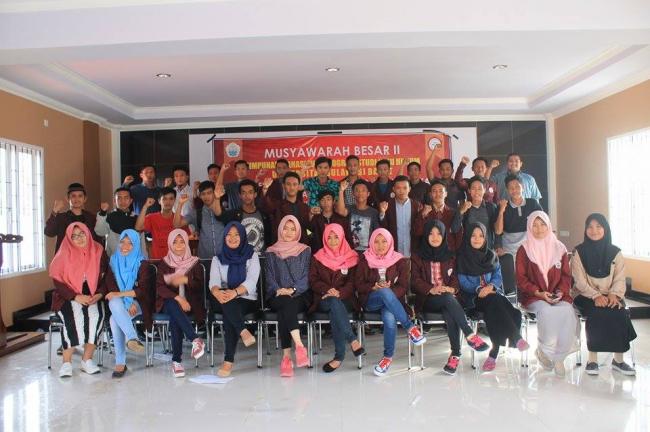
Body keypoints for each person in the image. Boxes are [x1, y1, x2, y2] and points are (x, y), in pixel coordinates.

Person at [411, 220, 489, 375]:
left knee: (449, 310)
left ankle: (455, 355)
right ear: (426, 235)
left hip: (448, 299)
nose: (435, 237)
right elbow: (414, 281)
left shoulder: (450, 256)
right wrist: (431, 289)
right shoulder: (417, 256)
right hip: (428, 300)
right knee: (448, 299)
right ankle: (469, 334)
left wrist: (451, 288)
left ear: (444, 236)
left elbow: (455, 278)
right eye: (431, 233)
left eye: (438, 233)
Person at [571, 213, 637, 376]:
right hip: (585, 295)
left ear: (605, 229)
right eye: (590, 227)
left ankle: (618, 361)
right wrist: (595, 296)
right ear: (585, 230)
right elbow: (579, 281)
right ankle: (592, 361)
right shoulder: (579, 252)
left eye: (598, 226)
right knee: (596, 312)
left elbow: (620, 278)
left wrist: (614, 295)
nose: (594, 230)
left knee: (619, 311)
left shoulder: (616, 252)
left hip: (611, 294)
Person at [457, 223, 529, 371]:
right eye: (473, 235)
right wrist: (478, 288)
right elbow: (463, 282)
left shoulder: (491, 255)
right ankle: (515, 337)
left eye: (481, 236)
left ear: (485, 238)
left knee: (495, 307)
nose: (477, 239)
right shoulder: (462, 257)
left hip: (492, 295)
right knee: (508, 308)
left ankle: (494, 352)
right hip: (473, 299)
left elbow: (497, 276)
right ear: (468, 237)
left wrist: (490, 287)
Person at [356, 228, 427, 376]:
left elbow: (403, 286)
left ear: (390, 242)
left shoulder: (399, 260)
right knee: (383, 292)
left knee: (389, 315)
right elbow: (358, 284)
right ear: (371, 243)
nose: (380, 245)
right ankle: (410, 327)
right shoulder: (365, 259)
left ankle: (387, 358)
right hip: (371, 301)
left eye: (384, 241)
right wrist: (374, 287)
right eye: (376, 241)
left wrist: (389, 292)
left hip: (392, 304)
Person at [516, 211, 577, 376]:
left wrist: (560, 292)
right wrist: (539, 293)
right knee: (547, 311)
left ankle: (559, 357)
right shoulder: (524, 249)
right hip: (533, 295)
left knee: (567, 311)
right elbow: (521, 279)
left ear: (548, 225)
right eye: (534, 225)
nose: (539, 229)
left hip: (558, 294)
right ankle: (544, 351)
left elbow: (566, 276)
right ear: (529, 228)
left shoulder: (560, 248)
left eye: (542, 224)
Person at [49, 223, 107, 378]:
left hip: (93, 294)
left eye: (82, 234)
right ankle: (66, 363)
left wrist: (100, 294)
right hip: (67, 295)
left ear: (88, 234)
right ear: (69, 238)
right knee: (73, 318)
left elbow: (107, 275)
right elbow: (58, 282)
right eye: (74, 236)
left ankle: (87, 360)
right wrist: (75, 296)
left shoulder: (98, 250)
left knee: (96, 316)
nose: (79, 238)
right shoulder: (63, 253)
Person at [309, 224, 364, 372]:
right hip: (323, 298)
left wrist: (339, 293)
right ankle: (352, 340)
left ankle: (339, 357)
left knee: (335, 309)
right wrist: (328, 290)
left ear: (342, 237)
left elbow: (353, 283)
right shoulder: (317, 257)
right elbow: (313, 280)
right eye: (329, 237)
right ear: (324, 239)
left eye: (336, 237)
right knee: (333, 303)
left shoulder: (352, 257)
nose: (333, 241)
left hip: (346, 299)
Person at [209, 222, 260, 377]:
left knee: (229, 312)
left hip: (246, 298)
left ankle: (228, 360)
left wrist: (235, 292)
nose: (232, 238)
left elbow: (252, 281)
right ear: (224, 237)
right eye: (229, 235)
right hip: (223, 297)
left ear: (243, 237)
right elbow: (214, 281)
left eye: (237, 234)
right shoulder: (217, 259)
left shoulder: (252, 256)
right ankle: (243, 331)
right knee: (228, 303)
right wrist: (217, 292)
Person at [264, 216, 312, 377]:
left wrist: (292, 289)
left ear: (298, 231)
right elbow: (269, 276)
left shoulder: (305, 250)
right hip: (276, 294)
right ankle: (299, 346)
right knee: (285, 302)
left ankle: (286, 358)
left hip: (299, 294)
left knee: (285, 308)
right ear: (280, 230)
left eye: (293, 229)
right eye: (286, 228)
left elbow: (306, 276)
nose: (289, 232)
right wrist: (279, 289)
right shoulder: (271, 251)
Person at [155, 229, 206, 378]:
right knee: (173, 305)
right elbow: (160, 287)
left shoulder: (195, 263)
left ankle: (176, 362)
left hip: (191, 305)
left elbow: (200, 285)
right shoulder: (164, 263)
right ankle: (195, 339)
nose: (178, 245)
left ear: (187, 243)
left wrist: (185, 280)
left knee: (175, 317)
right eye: (175, 242)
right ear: (170, 244)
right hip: (169, 304)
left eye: (182, 241)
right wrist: (179, 298)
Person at [104, 229, 150, 378]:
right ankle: (132, 338)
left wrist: (130, 300)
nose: (125, 246)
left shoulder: (142, 263)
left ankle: (120, 362)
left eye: (130, 243)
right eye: (122, 242)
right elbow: (111, 287)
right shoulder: (113, 261)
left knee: (114, 317)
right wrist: (124, 300)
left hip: (139, 303)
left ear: (136, 245)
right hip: (120, 303)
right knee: (114, 306)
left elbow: (143, 290)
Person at [213, 179, 272, 253]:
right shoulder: (234, 214)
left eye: (250, 192)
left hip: (261, 257)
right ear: (240, 195)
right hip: (241, 257)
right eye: (244, 192)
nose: (247, 196)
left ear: (255, 194)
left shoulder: (264, 214)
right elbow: (219, 215)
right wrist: (217, 198)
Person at [174, 181, 225, 259]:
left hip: (224, 258)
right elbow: (177, 224)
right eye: (203, 194)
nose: (206, 196)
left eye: (209, 193)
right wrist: (180, 204)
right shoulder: (196, 213)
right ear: (200, 196)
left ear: (214, 193)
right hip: (204, 258)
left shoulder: (224, 211)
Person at [494, 174, 543, 257]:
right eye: (511, 188)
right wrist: (501, 211)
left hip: (530, 249)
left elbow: (543, 223)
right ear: (507, 190)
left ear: (523, 187)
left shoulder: (533, 203)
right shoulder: (502, 206)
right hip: (509, 250)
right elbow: (498, 232)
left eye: (517, 187)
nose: (514, 190)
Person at [45, 182, 102, 251]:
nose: (77, 199)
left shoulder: (91, 218)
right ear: (67, 198)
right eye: (73, 196)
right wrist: (55, 211)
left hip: (86, 256)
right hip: (66, 255)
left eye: (80, 196)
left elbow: (98, 240)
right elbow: (49, 232)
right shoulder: (61, 218)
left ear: (85, 199)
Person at [135, 188, 189, 259]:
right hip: (158, 259)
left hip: (176, 260)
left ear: (174, 201)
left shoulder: (179, 219)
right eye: (164, 199)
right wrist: (145, 206)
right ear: (159, 201)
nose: (168, 202)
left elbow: (188, 238)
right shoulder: (152, 217)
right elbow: (138, 227)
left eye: (171, 199)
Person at [260, 172, 311, 244]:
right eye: (288, 184)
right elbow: (265, 207)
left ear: (299, 186)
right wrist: (265, 189)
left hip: (301, 247)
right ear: (283, 185)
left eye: (294, 184)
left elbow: (308, 229)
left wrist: (310, 236)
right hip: (282, 247)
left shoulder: (305, 208)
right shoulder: (277, 206)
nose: (292, 187)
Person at [95, 187, 147, 257]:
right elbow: (100, 232)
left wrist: (144, 258)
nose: (123, 201)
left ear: (131, 200)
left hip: (134, 259)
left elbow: (142, 241)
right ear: (114, 201)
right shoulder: (109, 217)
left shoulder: (137, 218)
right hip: (115, 258)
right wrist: (102, 213)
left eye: (126, 198)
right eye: (119, 198)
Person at [378, 175, 423, 257]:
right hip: (393, 250)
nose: (401, 191)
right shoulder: (388, 205)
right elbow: (384, 228)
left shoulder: (417, 206)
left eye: (405, 188)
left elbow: (419, 229)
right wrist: (382, 213)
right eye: (398, 188)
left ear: (409, 189)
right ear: (393, 189)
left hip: (412, 250)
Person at [452, 176, 499, 249]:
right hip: (469, 249)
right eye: (473, 188)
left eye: (479, 189)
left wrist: (498, 246)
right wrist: (461, 212)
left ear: (484, 190)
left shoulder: (491, 207)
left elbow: (497, 230)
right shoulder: (464, 208)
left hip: (487, 249)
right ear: (469, 190)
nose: (476, 192)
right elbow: (455, 229)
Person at [413, 180, 462, 251]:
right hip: (428, 252)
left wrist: (454, 252)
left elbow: (458, 235)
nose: (437, 194)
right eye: (434, 191)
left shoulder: (453, 213)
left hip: (448, 253)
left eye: (440, 191)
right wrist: (423, 216)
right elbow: (417, 232)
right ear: (430, 195)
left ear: (446, 194)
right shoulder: (424, 212)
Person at [335, 179, 380, 252]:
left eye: (363, 190)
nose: (360, 193)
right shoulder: (350, 209)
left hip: (369, 252)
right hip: (351, 252)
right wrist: (341, 191)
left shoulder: (374, 212)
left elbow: (377, 233)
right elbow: (341, 211)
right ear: (353, 194)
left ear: (368, 194)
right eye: (357, 190)